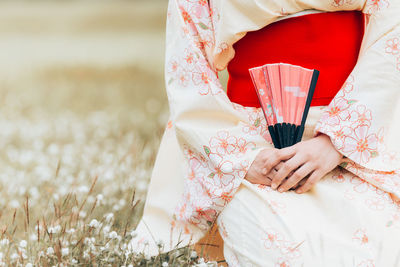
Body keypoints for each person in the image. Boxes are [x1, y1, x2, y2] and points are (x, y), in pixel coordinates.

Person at [130, 0, 400, 266]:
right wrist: (244, 158)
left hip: (350, 141)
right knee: (283, 253)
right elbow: (189, 74)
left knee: (383, 250)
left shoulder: (342, 141)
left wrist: (334, 143)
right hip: (255, 147)